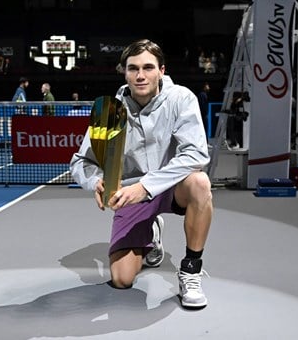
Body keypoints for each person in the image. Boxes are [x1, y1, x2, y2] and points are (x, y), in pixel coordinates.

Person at [69, 39, 213, 309]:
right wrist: (95, 181)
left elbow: (196, 155)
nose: (140, 75)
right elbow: (80, 162)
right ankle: (152, 232)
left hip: (172, 187)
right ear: (124, 72)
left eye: (148, 67)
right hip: (129, 194)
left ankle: (191, 271)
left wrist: (146, 187)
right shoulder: (109, 111)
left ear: (161, 70)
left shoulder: (181, 99)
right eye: (133, 68)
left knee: (200, 183)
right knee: (122, 279)